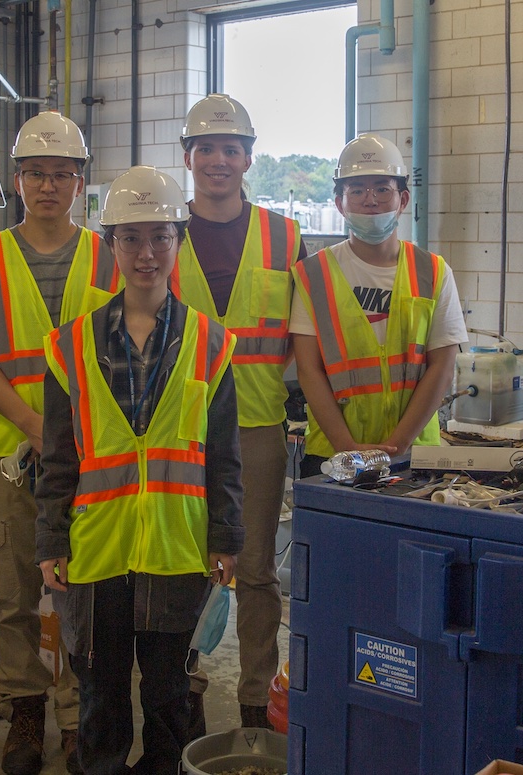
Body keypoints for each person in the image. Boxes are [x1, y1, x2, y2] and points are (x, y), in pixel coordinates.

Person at [35, 166, 245, 775]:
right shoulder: (70, 345)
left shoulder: (211, 343)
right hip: (95, 551)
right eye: (130, 238)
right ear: (110, 246)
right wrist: (51, 539)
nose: (146, 253)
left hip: (178, 548)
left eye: (160, 237)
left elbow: (225, 459)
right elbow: (58, 459)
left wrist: (227, 539)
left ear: (178, 240)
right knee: (99, 692)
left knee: (168, 694)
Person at [0, 111, 114, 775]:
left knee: (80, 587)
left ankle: (75, 713)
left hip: (91, 458)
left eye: (62, 174)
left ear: (79, 183)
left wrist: (68, 434)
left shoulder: (107, 257)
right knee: (12, 588)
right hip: (8, 454)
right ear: (17, 181)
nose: (48, 185)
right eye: (36, 173)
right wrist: (37, 425)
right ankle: (24, 710)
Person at [176, 93, 304, 731]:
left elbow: (307, 334)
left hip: (255, 427)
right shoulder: (163, 233)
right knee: (181, 565)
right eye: (206, 149)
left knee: (255, 573)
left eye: (231, 148)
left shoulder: (286, 236)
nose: (218, 160)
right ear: (189, 157)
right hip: (176, 430)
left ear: (249, 158)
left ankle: (255, 702)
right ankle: (186, 688)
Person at [291, 133, 468, 478]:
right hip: (333, 455)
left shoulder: (433, 271)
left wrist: (397, 444)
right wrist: (346, 445)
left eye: (382, 189)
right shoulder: (313, 274)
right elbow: (308, 370)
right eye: (356, 190)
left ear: (403, 199)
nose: (370, 200)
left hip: (415, 455)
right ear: (340, 203)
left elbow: (443, 367)